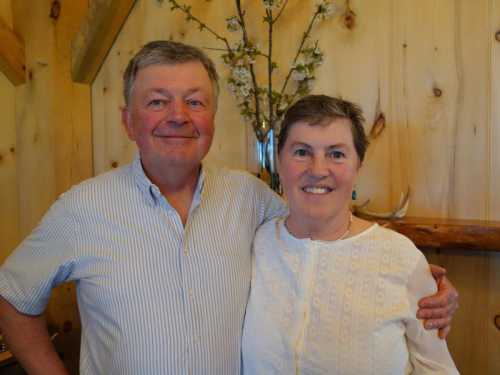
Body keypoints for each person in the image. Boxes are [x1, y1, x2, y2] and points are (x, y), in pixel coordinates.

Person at [0, 41, 457, 375]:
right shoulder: (82, 208)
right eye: (157, 101)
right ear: (127, 120)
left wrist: (419, 277)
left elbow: (320, 228)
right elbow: (13, 296)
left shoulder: (249, 198)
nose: (178, 115)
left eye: (194, 102)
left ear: (211, 119)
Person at [242, 95, 459, 374]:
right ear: (279, 162)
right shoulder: (254, 243)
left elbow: (437, 369)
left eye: (336, 154)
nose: (318, 170)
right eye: (301, 152)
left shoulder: (399, 257)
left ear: (358, 166)